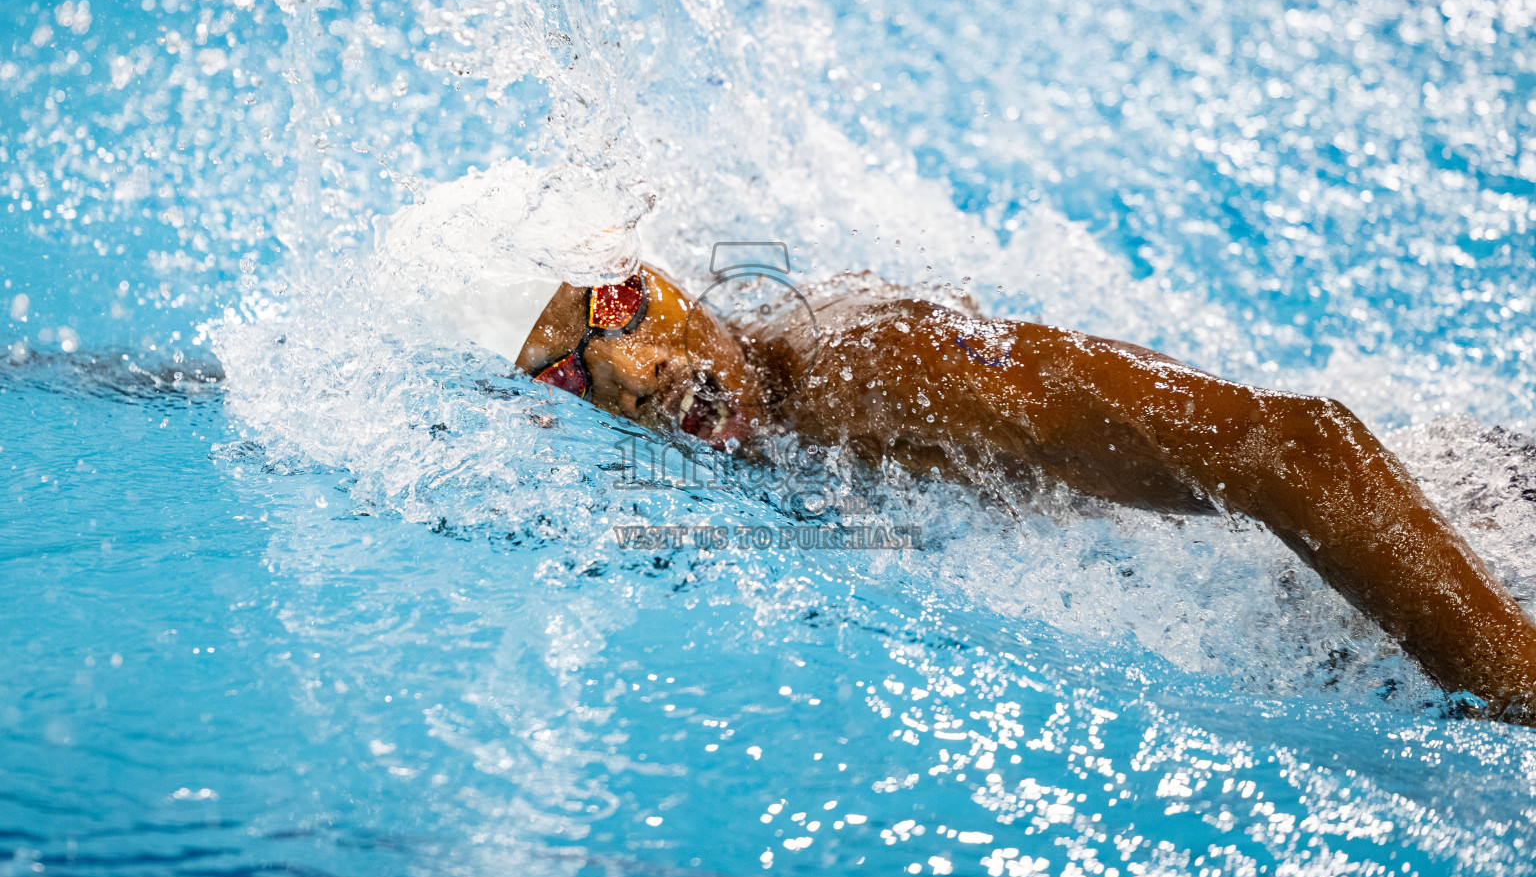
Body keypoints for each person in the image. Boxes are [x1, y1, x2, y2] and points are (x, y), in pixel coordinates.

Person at [478, 261, 1536, 724]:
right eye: (570, 371)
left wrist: (1516, 681)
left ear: (669, 276)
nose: (630, 371)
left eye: (614, 305)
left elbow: (1303, 452)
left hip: (1470, 546)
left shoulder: (876, 366)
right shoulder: (772, 427)